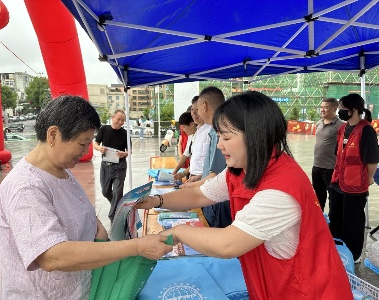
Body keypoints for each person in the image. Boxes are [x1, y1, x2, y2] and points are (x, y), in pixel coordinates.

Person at [136, 91, 353, 299]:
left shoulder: (281, 188)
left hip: (307, 292)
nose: (220, 145)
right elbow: (198, 196)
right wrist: (155, 201)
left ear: (255, 136)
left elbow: (227, 244)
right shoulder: (240, 171)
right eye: (219, 136)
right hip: (271, 287)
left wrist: (178, 232)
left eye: (226, 138)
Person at [0, 95, 172, 299]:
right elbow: (52, 256)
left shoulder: (62, 169)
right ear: (53, 135)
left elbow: (77, 210)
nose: (86, 151)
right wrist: (137, 247)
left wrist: (95, 225)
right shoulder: (25, 187)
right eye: (82, 143)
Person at [329, 93, 379, 263]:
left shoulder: (366, 130)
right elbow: (339, 154)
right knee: (335, 219)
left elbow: (372, 160)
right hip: (337, 182)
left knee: (353, 222)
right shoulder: (343, 128)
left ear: (353, 110)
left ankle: (354, 254)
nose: (340, 112)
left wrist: (369, 178)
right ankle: (337, 250)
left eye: (342, 108)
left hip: (355, 185)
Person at [182, 86, 230, 228]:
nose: (195, 113)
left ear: (204, 106)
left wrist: (191, 186)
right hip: (211, 192)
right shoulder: (213, 130)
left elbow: (216, 174)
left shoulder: (218, 132)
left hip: (217, 200)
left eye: (197, 109)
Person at [94, 108, 131, 222]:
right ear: (112, 118)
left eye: (123, 120)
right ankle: (117, 206)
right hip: (106, 165)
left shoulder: (125, 133)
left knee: (117, 192)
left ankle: (113, 217)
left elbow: (129, 151)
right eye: (118, 119)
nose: (120, 122)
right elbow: (95, 143)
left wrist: (123, 154)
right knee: (105, 191)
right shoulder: (104, 129)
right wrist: (100, 148)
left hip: (120, 166)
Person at [312, 98, 343, 211]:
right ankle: (319, 220)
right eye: (321, 107)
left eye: (326, 107)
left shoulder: (340, 126)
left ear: (335, 108)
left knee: (333, 196)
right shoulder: (319, 123)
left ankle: (333, 222)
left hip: (331, 168)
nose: (322, 110)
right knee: (317, 196)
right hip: (316, 166)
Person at [172, 96, 211, 182]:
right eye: (192, 110)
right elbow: (195, 161)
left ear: (204, 108)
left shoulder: (211, 131)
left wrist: (199, 177)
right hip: (194, 178)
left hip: (203, 180)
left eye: (196, 110)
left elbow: (215, 166)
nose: (193, 113)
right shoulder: (197, 132)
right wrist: (182, 173)